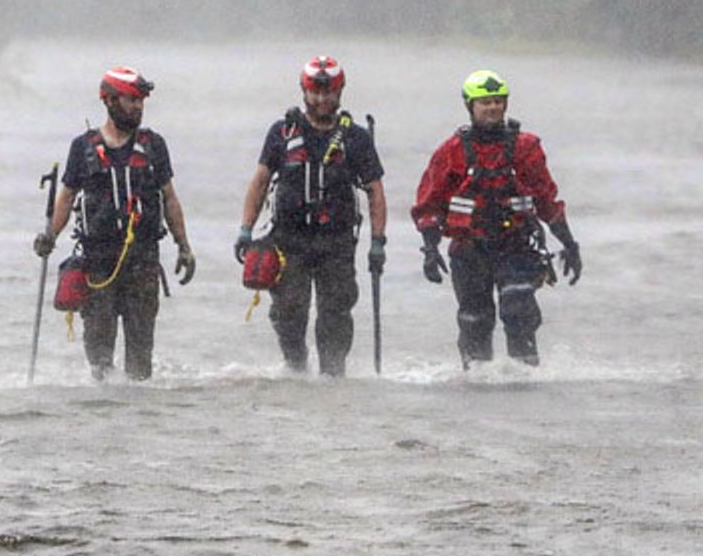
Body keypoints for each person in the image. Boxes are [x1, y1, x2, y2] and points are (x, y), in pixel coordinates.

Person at [34, 65, 197, 380]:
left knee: (140, 362)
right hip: (98, 266)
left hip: (143, 263)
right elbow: (67, 197)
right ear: (108, 101)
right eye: (131, 100)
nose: (138, 107)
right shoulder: (83, 148)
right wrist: (50, 236)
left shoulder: (154, 145)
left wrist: (184, 247)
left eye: (141, 101)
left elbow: (170, 199)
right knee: (100, 361)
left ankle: (138, 420)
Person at [411, 69, 581, 366]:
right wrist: (429, 249)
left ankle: (524, 379)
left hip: (516, 245)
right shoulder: (451, 152)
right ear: (470, 106)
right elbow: (428, 204)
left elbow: (547, 199)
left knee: (518, 308)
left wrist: (569, 243)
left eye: (498, 101)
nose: (492, 107)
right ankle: (477, 383)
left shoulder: (525, 148)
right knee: (474, 321)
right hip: (469, 249)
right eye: (485, 102)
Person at [235, 55, 387, 376]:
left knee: (335, 313)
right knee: (289, 309)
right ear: (304, 92)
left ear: (340, 92)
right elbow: (260, 182)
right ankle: (295, 367)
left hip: (337, 242)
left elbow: (375, 191)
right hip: (289, 240)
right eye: (315, 92)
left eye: (328, 92)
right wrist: (246, 230)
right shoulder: (282, 133)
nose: (321, 99)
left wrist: (378, 242)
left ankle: (333, 375)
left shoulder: (356, 139)